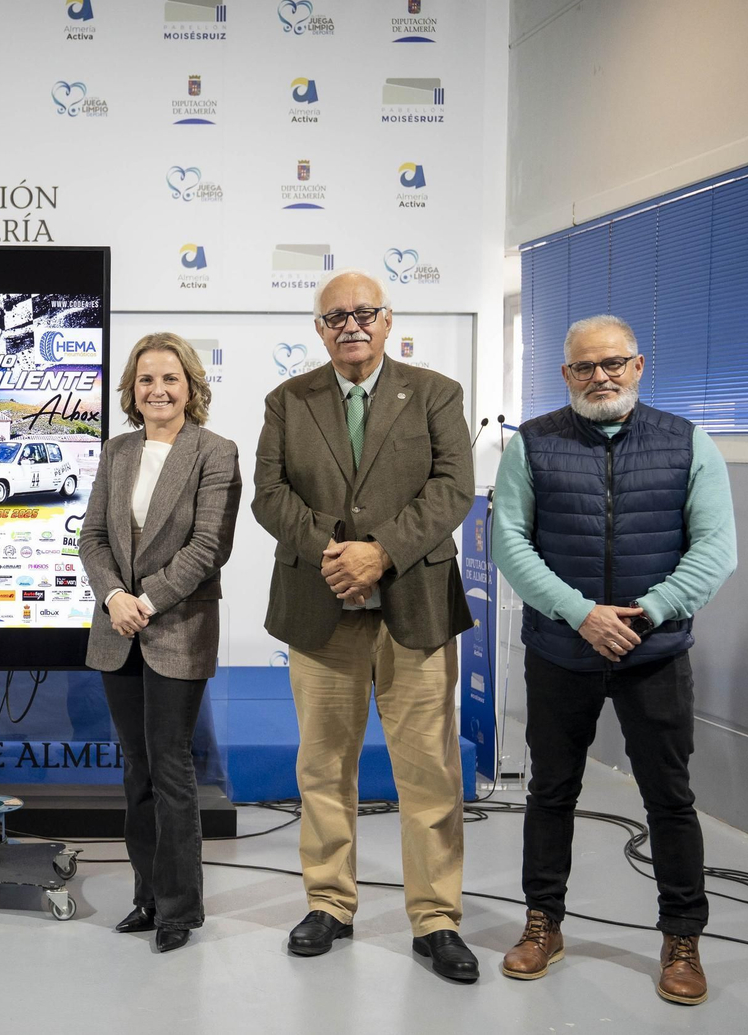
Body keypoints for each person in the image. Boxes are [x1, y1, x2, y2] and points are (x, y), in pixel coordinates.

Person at [491, 315, 736, 1005]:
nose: (600, 376)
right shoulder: (531, 444)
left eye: (613, 363)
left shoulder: (688, 443)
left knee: (670, 799)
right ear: (565, 374)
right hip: (560, 650)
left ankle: (682, 938)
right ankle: (543, 923)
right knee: (551, 793)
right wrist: (581, 614)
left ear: (638, 365)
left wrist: (647, 612)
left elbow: (716, 549)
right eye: (584, 367)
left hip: (654, 653)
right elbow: (509, 542)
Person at [252, 269, 478, 981]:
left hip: (415, 609)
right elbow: (268, 494)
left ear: (387, 321)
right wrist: (333, 550)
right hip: (320, 610)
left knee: (429, 772)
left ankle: (436, 918)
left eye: (364, 313)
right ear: (319, 329)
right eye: (336, 317)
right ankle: (329, 904)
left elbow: (453, 488)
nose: (351, 325)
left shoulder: (435, 393)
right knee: (323, 768)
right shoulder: (288, 400)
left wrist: (379, 553)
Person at [79, 332, 241, 954]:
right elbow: (93, 537)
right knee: (137, 769)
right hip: (117, 628)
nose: (158, 390)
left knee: (171, 768)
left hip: (176, 628)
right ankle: (146, 897)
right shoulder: (117, 451)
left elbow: (208, 547)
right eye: (146, 379)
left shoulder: (214, 452)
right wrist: (113, 598)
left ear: (191, 386)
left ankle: (180, 908)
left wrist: (144, 602)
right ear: (132, 390)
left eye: (170, 378)